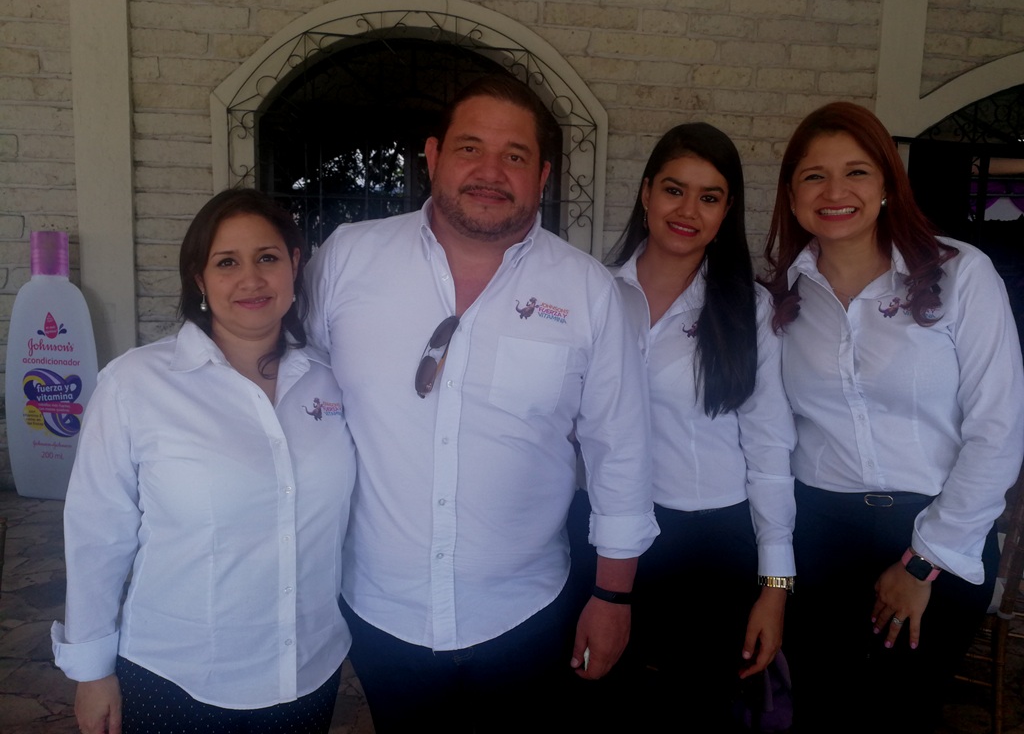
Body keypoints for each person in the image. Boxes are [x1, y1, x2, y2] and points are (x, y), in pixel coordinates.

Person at [304, 73, 658, 731]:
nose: (491, 172)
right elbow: (301, 392)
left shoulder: (586, 291)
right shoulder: (349, 259)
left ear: (542, 176)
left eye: (515, 155)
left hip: (526, 615)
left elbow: (622, 450)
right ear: (433, 156)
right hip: (381, 610)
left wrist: (613, 596)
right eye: (470, 148)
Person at [52, 189, 357, 734]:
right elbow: (97, 532)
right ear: (199, 279)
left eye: (267, 257)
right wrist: (91, 669)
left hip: (309, 670)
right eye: (226, 263)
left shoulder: (332, 378)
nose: (251, 279)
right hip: (180, 678)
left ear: (295, 264)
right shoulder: (135, 384)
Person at [762, 102, 1024, 732]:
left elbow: (998, 430)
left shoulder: (960, 274)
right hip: (820, 535)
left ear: (886, 184)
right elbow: (770, 436)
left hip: (940, 530)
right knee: (822, 711)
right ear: (792, 195)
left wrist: (922, 562)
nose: (835, 192)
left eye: (856, 172)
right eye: (814, 176)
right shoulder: (782, 300)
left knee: (900, 715)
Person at [606, 123, 795, 729]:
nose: (688, 211)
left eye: (709, 197)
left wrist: (775, 587)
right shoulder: (594, 293)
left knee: (698, 713)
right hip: (604, 534)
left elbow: (770, 448)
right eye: (674, 190)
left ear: (727, 210)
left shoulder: (747, 309)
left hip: (709, 544)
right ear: (646, 193)